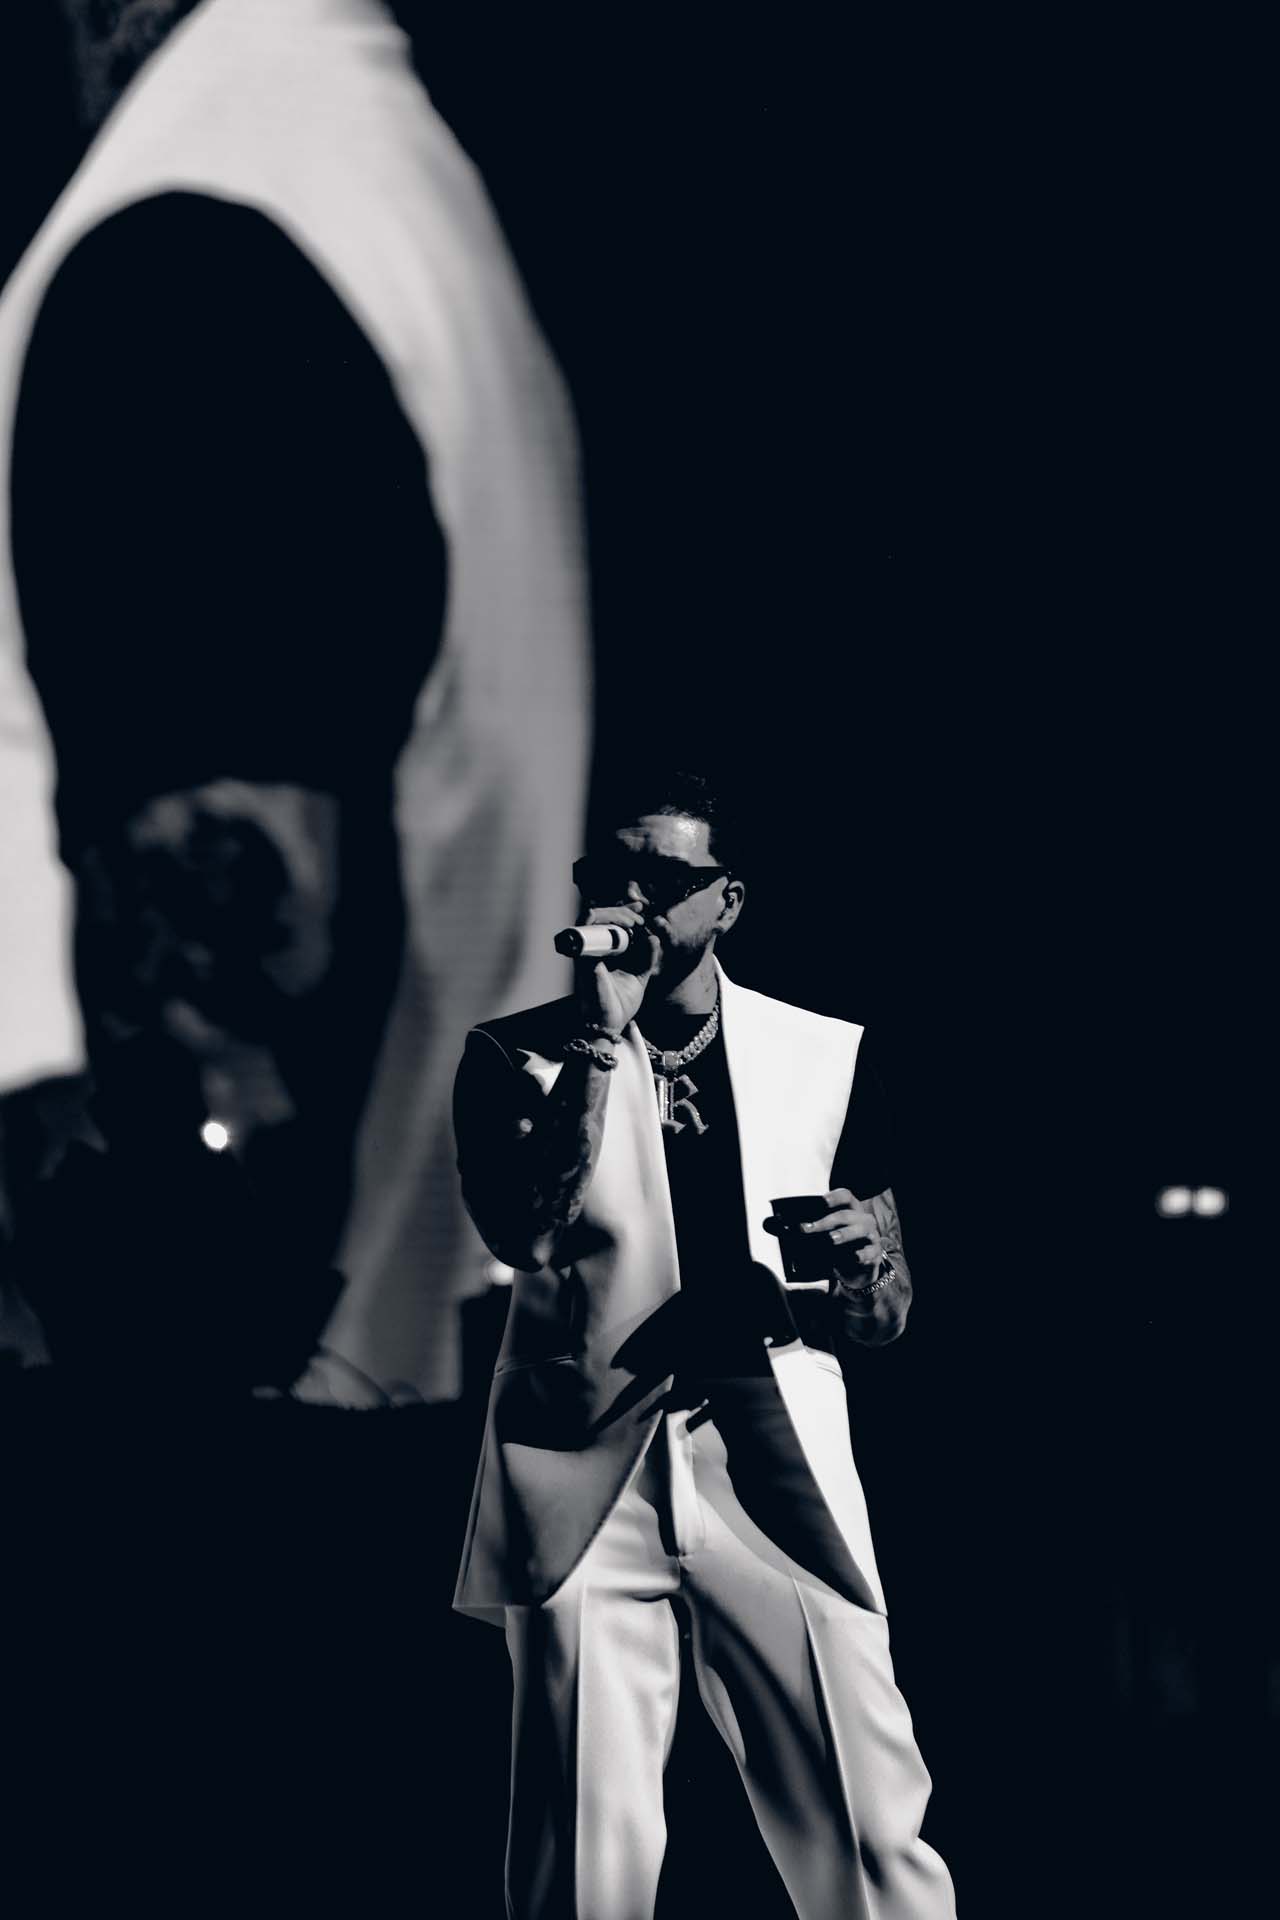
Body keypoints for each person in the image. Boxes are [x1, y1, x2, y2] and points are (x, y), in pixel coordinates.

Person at [0, 0, 588, 1400]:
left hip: (185, 1481)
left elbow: (216, 1092)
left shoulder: (192, 269)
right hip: (344, 1437)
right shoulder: (362, 188)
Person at [452, 770, 957, 1919]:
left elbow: (883, 1318)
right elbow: (524, 1235)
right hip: (582, 1469)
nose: (630, 895)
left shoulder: (822, 1054)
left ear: (727, 900)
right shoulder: (514, 1056)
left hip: (770, 1462)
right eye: (606, 873)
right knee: (582, 1851)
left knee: (868, 1825)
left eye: (662, 877)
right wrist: (598, 1042)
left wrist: (865, 1266)